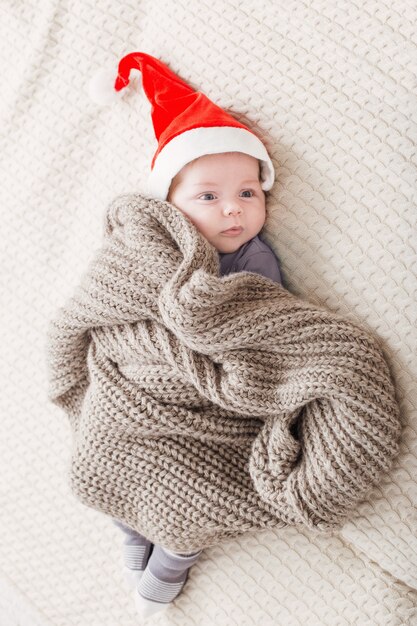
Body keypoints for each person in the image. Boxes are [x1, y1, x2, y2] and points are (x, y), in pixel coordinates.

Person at [91, 51, 281, 619]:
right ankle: (132, 533)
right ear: (169, 204)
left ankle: (169, 560)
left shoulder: (256, 260)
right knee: (112, 454)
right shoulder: (152, 244)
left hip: (209, 395)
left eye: (248, 193)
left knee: (195, 490)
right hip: (140, 379)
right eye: (208, 196)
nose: (233, 209)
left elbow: (255, 326)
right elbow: (111, 303)